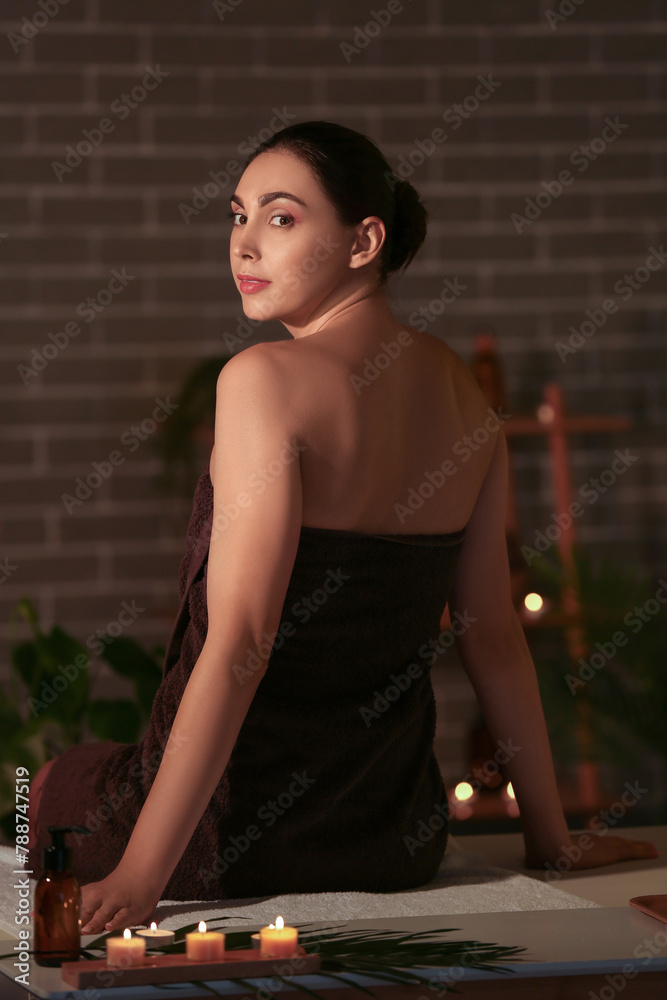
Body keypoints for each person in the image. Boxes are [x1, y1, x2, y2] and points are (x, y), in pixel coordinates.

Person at [28, 121, 658, 935]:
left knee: (46, 785)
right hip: (394, 839)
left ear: (364, 241)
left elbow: (242, 641)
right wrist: (552, 841)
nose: (244, 244)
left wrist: (145, 873)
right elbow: (493, 637)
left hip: (223, 843)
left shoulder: (261, 379)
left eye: (280, 218)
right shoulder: (466, 397)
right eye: (236, 214)